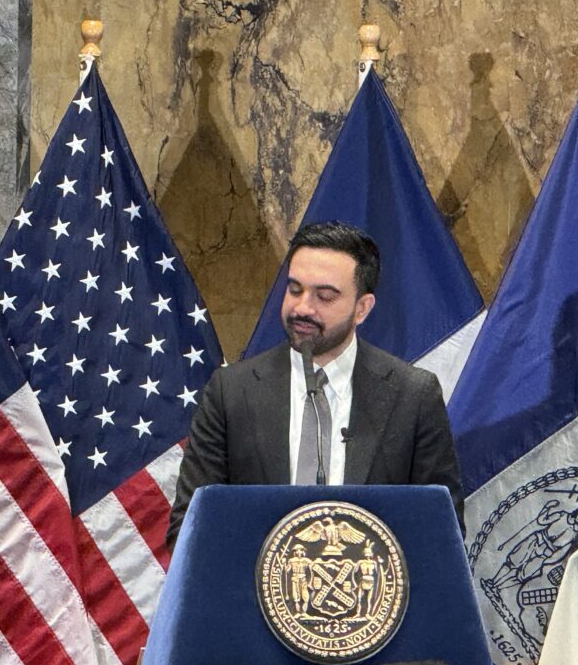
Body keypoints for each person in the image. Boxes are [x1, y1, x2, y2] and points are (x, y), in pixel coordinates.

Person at [167, 221, 464, 549]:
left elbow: (441, 531)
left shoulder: (413, 396)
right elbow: (188, 527)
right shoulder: (230, 392)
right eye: (295, 289)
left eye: (324, 296)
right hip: (249, 595)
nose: (303, 308)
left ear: (361, 309)